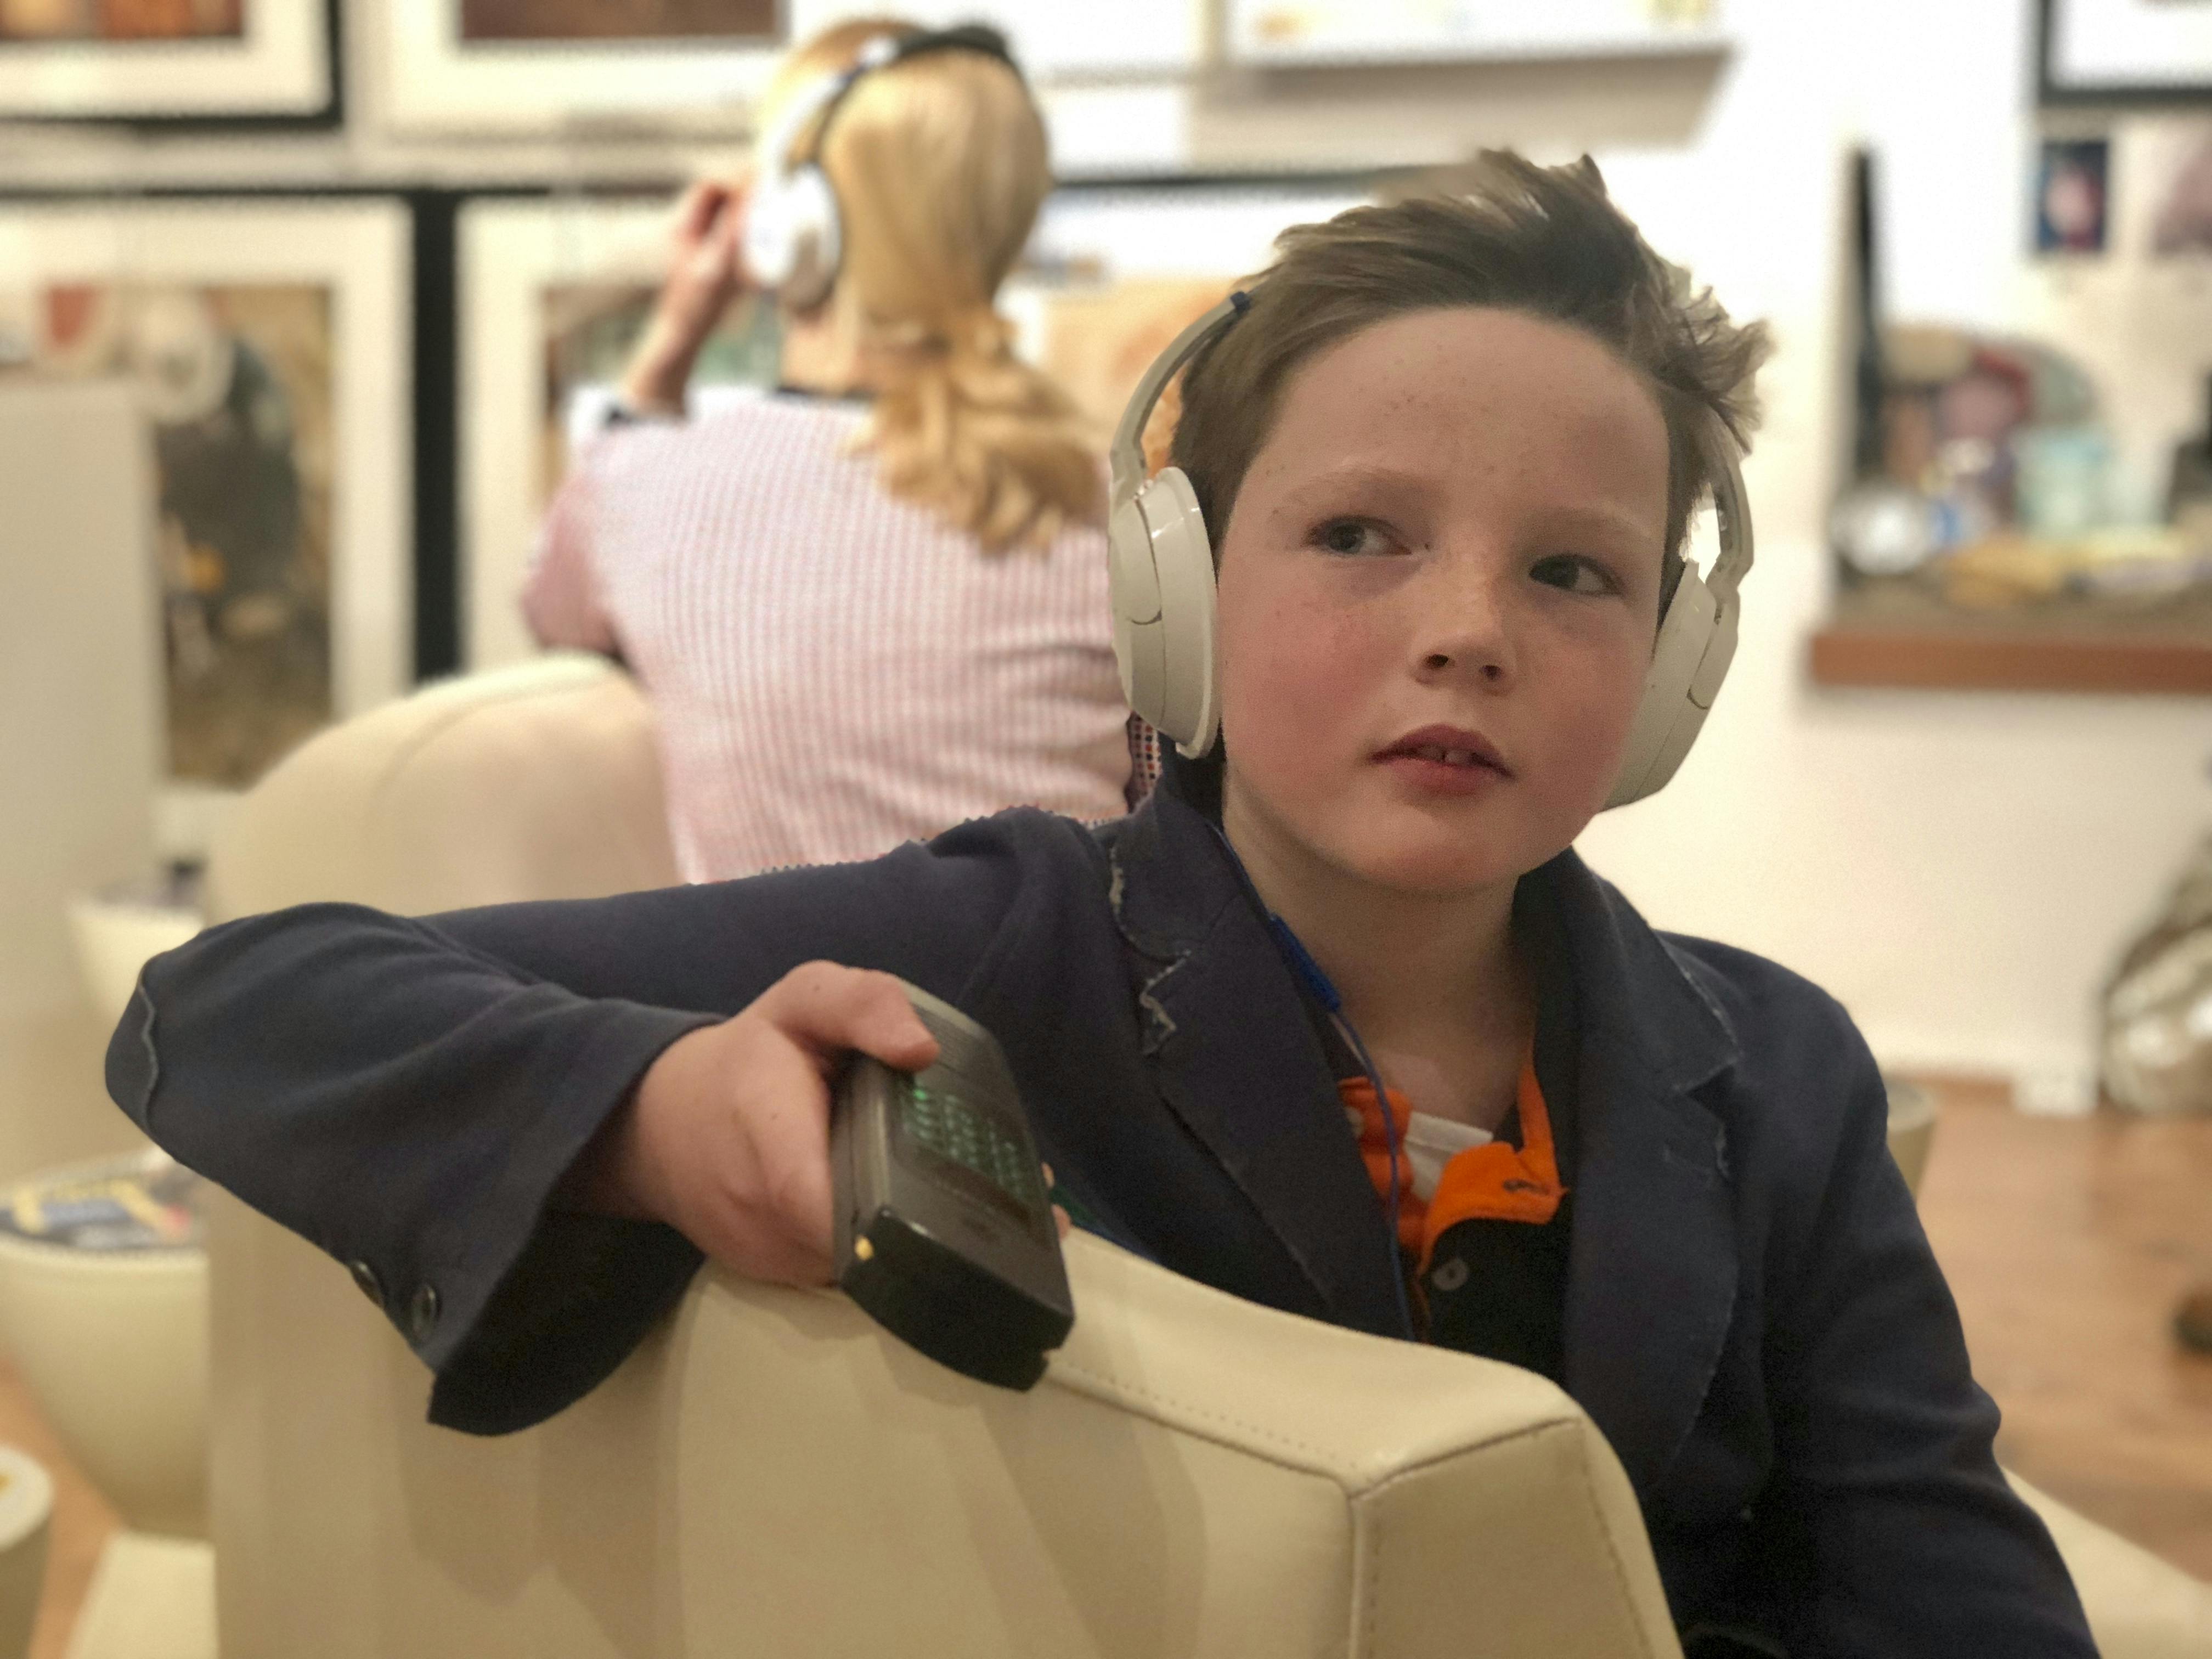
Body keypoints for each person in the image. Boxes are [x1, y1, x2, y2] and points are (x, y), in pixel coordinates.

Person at [109, 157, 2095, 1656]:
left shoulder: (1784, 1072)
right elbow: (234, 998)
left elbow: (1942, 1581)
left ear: (1671, 664)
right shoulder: (1001, 940)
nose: (1470, 631)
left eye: (1574, 573)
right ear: (1173, 595)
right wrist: (646, 1117)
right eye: (1359, 536)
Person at [522, 18, 1156, 882]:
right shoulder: (1110, 505)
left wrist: (674, 334)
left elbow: (553, 616)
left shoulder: (637, 484)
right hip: (1065, 1007)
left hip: (767, 1015)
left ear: (791, 220)